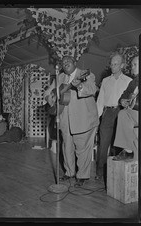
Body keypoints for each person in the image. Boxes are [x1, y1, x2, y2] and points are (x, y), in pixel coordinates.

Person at [44, 55, 99, 187]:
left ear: (75, 62)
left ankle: (82, 176)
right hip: (64, 118)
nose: (65, 63)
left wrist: (80, 86)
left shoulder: (86, 74)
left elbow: (92, 89)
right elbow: (47, 92)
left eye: (68, 60)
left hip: (84, 118)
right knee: (66, 147)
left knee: (82, 148)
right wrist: (49, 98)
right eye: (63, 62)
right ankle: (69, 172)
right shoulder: (60, 77)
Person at [95, 52, 132, 181]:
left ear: (122, 65)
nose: (113, 66)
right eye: (111, 64)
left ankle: (116, 173)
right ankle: (100, 172)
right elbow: (100, 101)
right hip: (107, 113)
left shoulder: (129, 81)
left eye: (116, 64)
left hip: (121, 113)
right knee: (103, 144)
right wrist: (97, 119)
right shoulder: (105, 81)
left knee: (119, 145)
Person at [113, 56, 139, 161]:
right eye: (132, 65)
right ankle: (129, 151)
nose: (132, 68)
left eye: (135, 65)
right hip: (134, 114)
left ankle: (129, 152)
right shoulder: (133, 82)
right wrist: (122, 101)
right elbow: (124, 95)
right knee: (123, 114)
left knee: (124, 115)